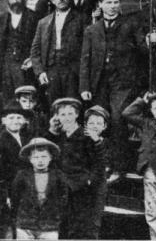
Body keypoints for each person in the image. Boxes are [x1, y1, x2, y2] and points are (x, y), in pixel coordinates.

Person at [80, 0, 152, 180]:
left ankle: (119, 167)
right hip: (100, 82)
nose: (113, 6)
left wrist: (149, 42)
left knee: (118, 119)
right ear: (100, 5)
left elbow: (143, 53)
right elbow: (85, 59)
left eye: (116, 2)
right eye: (109, 2)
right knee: (98, 121)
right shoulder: (91, 30)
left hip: (124, 82)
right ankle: (102, 165)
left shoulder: (130, 24)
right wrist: (84, 86)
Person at [45, 97, 107, 239]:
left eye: (70, 114)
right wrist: (51, 131)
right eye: (62, 114)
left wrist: (88, 181)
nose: (66, 118)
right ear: (57, 117)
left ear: (77, 114)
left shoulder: (86, 135)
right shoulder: (58, 136)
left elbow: (99, 163)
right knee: (63, 227)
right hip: (62, 189)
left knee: (81, 228)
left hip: (82, 190)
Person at [122, 92, 156, 240]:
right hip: (150, 171)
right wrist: (141, 101)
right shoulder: (146, 123)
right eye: (155, 108)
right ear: (150, 110)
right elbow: (127, 113)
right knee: (153, 212)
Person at [31, 0, 89, 106]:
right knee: (54, 107)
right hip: (51, 71)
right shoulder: (44, 22)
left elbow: (87, 50)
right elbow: (35, 51)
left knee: (73, 106)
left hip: (73, 72)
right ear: (52, 0)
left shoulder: (81, 19)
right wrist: (40, 72)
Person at [11, 138, 70, 240]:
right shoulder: (22, 175)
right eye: (36, 157)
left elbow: (63, 198)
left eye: (44, 156)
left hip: (49, 225)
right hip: (25, 224)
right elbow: (15, 197)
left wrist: (56, 215)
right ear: (30, 159)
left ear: (50, 157)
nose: (40, 160)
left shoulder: (58, 175)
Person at [0, 0, 39, 101]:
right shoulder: (1, 19)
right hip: (7, 71)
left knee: (27, 102)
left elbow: (40, 45)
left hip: (26, 69)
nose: (15, 1)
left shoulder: (34, 17)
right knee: (9, 102)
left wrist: (32, 60)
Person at [0, 102, 32, 238]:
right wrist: (6, 194)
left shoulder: (27, 139)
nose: (16, 121)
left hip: (26, 188)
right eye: (11, 118)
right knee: (8, 226)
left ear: (24, 120)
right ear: (3, 120)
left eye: (19, 117)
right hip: (9, 190)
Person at [83, 105, 111, 238]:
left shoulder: (107, 143)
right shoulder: (80, 141)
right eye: (91, 123)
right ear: (85, 125)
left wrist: (97, 141)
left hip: (98, 185)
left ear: (104, 126)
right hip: (81, 184)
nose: (95, 126)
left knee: (94, 220)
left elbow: (103, 162)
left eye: (99, 123)